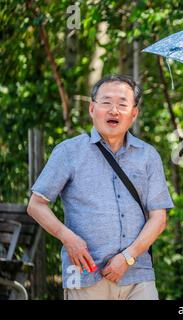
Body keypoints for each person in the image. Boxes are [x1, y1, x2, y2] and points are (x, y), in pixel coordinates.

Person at [27, 75, 174, 300]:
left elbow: (159, 218)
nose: (114, 110)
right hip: (84, 274)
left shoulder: (148, 155)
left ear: (133, 114)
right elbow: (36, 205)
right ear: (92, 108)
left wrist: (128, 257)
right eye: (106, 102)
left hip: (138, 276)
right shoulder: (68, 152)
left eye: (123, 104)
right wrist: (68, 239)